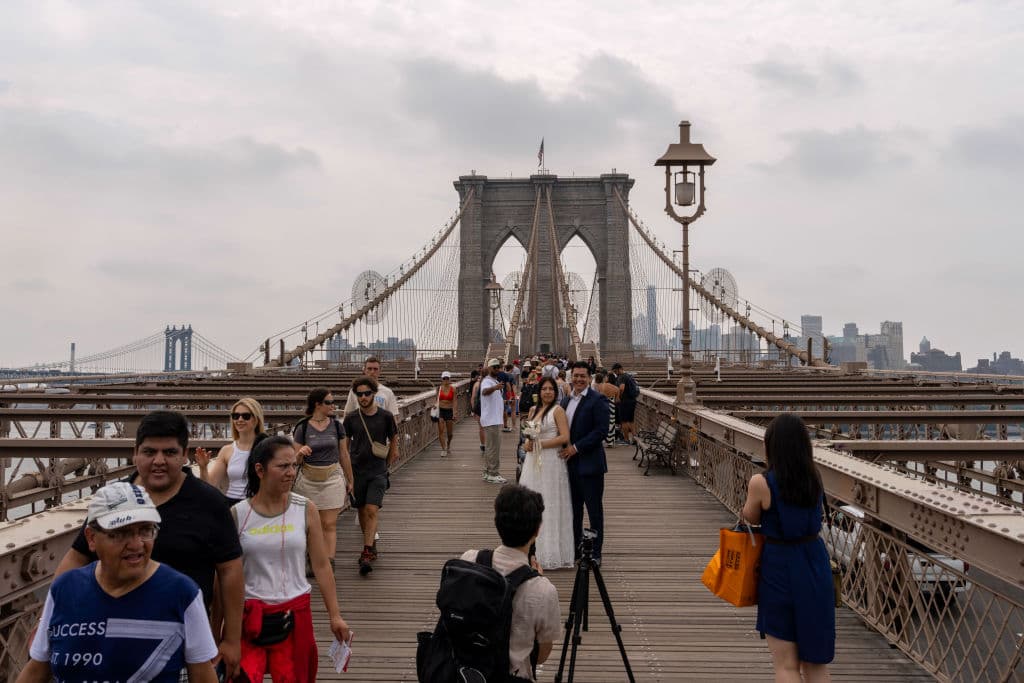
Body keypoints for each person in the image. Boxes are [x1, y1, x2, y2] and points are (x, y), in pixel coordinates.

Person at [55, 410, 244, 679]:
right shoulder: (114, 499)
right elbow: (77, 557)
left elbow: (230, 570)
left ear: (184, 454)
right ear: (135, 453)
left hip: (184, 643)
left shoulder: (209, 503)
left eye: (169, 452)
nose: (159, 461)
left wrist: (231, 639)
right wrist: (49, 620)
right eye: (149, 452)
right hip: (110, 639)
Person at [22, 482, 218, 683]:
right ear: (91, 538)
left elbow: (203, 676)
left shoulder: (182, 593)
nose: (136, 544)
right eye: (121, 533)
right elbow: (37, 669)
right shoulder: (64, 589)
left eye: (145, 530)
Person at [234, 436, 351, 682]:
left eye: (293, 466)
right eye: (283, 466)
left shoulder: (305, 508)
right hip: (250, 615)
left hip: (295, 612)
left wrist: (335, 615)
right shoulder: (238, 514)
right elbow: (225, 575)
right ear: (260, 470)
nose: (290, 472)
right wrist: (219, 632)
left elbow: (321, 565)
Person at [741, 414, 835, 681]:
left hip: (780, 567)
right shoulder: (814, 478)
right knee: (815, 665)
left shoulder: (761, 482)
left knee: (786, 665)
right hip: (815, 564)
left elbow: (751, 516)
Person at [460, 485, 560, 682]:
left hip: (463, 673)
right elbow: (541, 655)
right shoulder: (543, 590)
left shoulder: (469, 560)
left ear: (497, 522)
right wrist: (536, 579)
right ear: (537, 530)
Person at [292, 387, 355, 567]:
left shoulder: (337, 426)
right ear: (317, 405)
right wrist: (300, 453)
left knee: (329, 523)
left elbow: (344, 454)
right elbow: (294, 460)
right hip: (308, 479)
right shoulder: (302, 427)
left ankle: (329, 562)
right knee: (313, 525)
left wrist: (350, 480)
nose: (333, 406)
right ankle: (314, 558)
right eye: (329, 402)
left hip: (332, 477)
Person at [343, 375, 399, 576]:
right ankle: (371, 543)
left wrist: (391, 458)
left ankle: (366, 552)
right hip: (357, 471)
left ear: (374, 394)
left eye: (367, 393)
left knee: (371, 509)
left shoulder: (385, 416)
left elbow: (393, 437)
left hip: (377, 471)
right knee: (361, 510)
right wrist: (345, 470)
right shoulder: (350, 418)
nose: (363, 397)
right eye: (360, 394)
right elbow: (345, 445)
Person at [519, 376, 574, 569]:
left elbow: (565, 437)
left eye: (551, 389)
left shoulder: (558, 410)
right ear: (539, 391)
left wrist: (539, 444)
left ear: (556, 392)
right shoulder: (533, 410)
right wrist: (527, 443)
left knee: (549, 504)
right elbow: (529, 434)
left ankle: (550, 552)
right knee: (530, 505)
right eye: (544, 389)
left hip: (551, 462)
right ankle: (531, 552)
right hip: (533, 462)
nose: (548, 392)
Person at [559, 361, 610, 565]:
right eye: (576, 375)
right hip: (569, 466)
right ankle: (577, 549)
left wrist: (576, 448)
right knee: (574, 510)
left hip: (590, 465)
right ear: (571, 377)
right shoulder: (565, 401)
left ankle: (596, 554)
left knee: (594, 511)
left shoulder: (598, 400)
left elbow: (601, 431)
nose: (579, 379)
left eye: (583, 376)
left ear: (589, 378)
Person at [195, 397, 266, 506]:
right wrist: (203, 467)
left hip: (257, 504)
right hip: (232, 505)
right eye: (235, 416)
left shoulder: (267, 447)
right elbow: (210, 485)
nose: (240, 420)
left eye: (246, 416)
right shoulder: (227, 450)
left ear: (256, 420)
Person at [480, 358, 508, 484]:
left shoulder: (493, 381)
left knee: (490, 447)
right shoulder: (487, 381)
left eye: (498, 367)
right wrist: (496, 387)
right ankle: (493, 473)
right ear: (489, 368)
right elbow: (485, 392)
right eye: (495, 367)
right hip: (492, 420)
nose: (497, 369)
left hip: (494, 419)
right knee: (494, 448)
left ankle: (487, 472)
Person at [611, 362, 639, 444]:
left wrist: (618, 397)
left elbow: (622, 388)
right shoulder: (628, 376)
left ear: (619, 369)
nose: (615, 373)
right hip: (632, 400)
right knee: (631, 421)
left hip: (625, 401)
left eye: (615, 371)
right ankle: (635, 439)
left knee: (624, 421)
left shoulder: (622, 377)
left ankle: (626, 440)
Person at [594, 371, 620, 448]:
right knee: (611, 423)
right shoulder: (616, 388)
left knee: (602, 422)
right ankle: (610, 442)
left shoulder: (600, 386)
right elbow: (617, 400)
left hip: (603, 405)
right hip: (612, 406)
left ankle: (602, 440)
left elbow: (598, 396)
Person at [435, 371, 456, 456]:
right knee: (441, 430)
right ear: (442, 379)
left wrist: (455, 413)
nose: (446, 380)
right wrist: (435, 406)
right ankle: (443, 449)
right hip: (440, 411)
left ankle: (448, 444)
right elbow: (436, 400)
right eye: (444, 378)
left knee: (450, 433)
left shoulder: (453, 389)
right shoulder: (439, 388)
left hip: (449, 411)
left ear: (450, 379)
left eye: (447, 378)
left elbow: (455, 401)